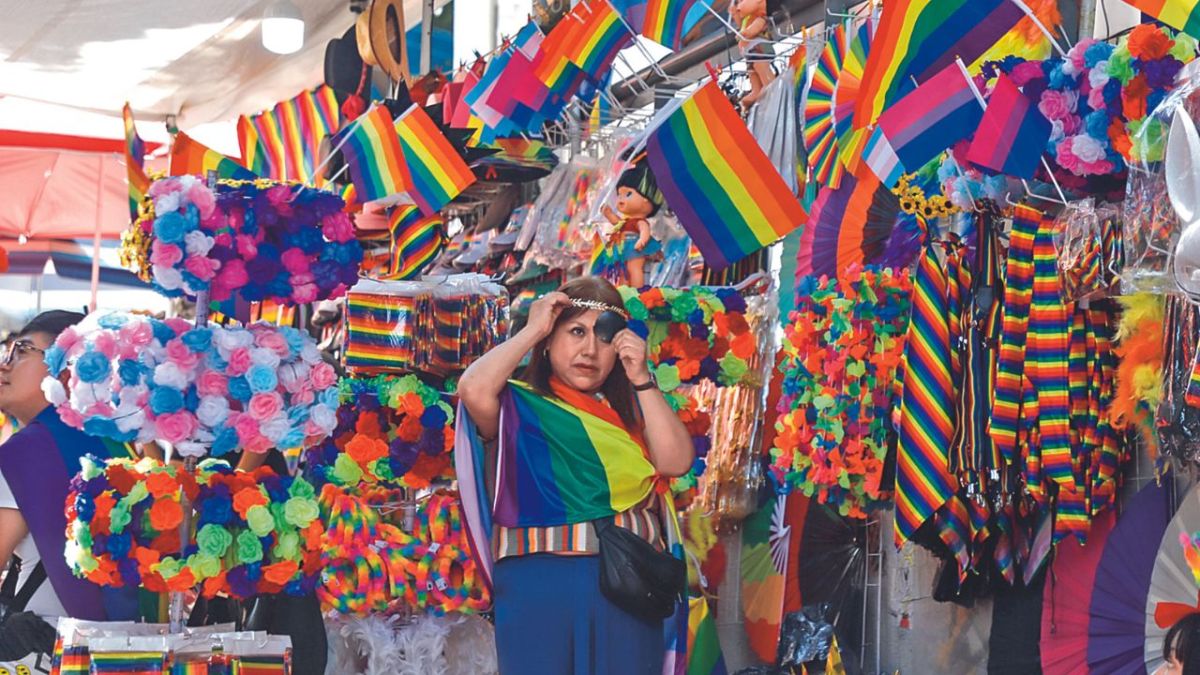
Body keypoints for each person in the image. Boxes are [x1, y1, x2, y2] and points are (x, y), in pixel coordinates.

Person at [457, 276, 694, 675]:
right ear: (549, 342)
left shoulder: (632, 412)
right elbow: (472, 388)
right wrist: (532, 329)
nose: (590, 350)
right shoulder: (516, 405)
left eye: (605, 339)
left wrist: (641, 378)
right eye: (576, 332)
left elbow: (675, 462)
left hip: (627, 585)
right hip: (538, 587)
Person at [0, 311, 139, 662]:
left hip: (36, 653)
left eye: (22, 351)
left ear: (65, 371)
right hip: (120, 650)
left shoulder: (24, 452)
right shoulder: (114, 443)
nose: (5, 364)